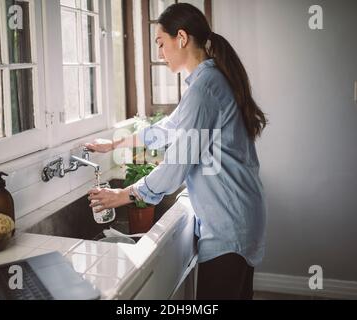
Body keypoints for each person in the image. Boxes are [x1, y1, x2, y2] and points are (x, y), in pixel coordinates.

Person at [86, 3, 267, 300]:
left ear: (181, 38)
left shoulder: (204, 89)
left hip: (229, 226)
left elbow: (176, 167)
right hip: (238, 217)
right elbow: (169, 128)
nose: (159, 53)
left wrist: (126, 194)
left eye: (160, 43)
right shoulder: (206, 82)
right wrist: (116, 143)